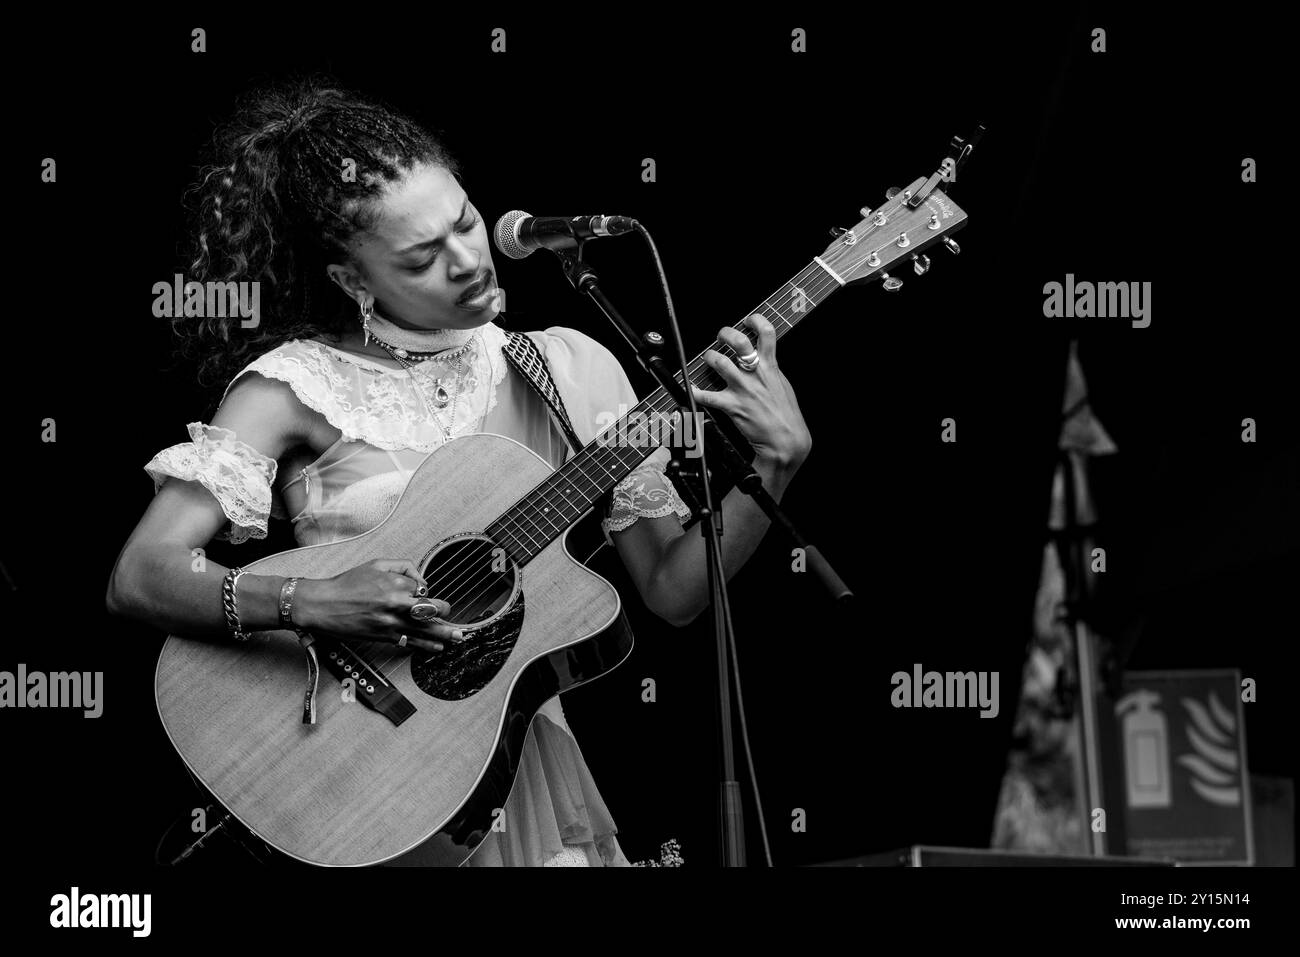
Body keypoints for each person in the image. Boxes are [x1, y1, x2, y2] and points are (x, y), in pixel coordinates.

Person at [106, 76, 811, 867]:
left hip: (512, 771)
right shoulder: (294, 388)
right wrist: (313, 599)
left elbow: (676, 593)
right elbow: (141, 575)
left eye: (467, 222)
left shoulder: (569, 369)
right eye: (423, 257)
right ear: (352, 280)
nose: (469, 261)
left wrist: (775, 466)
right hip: (350, 769)